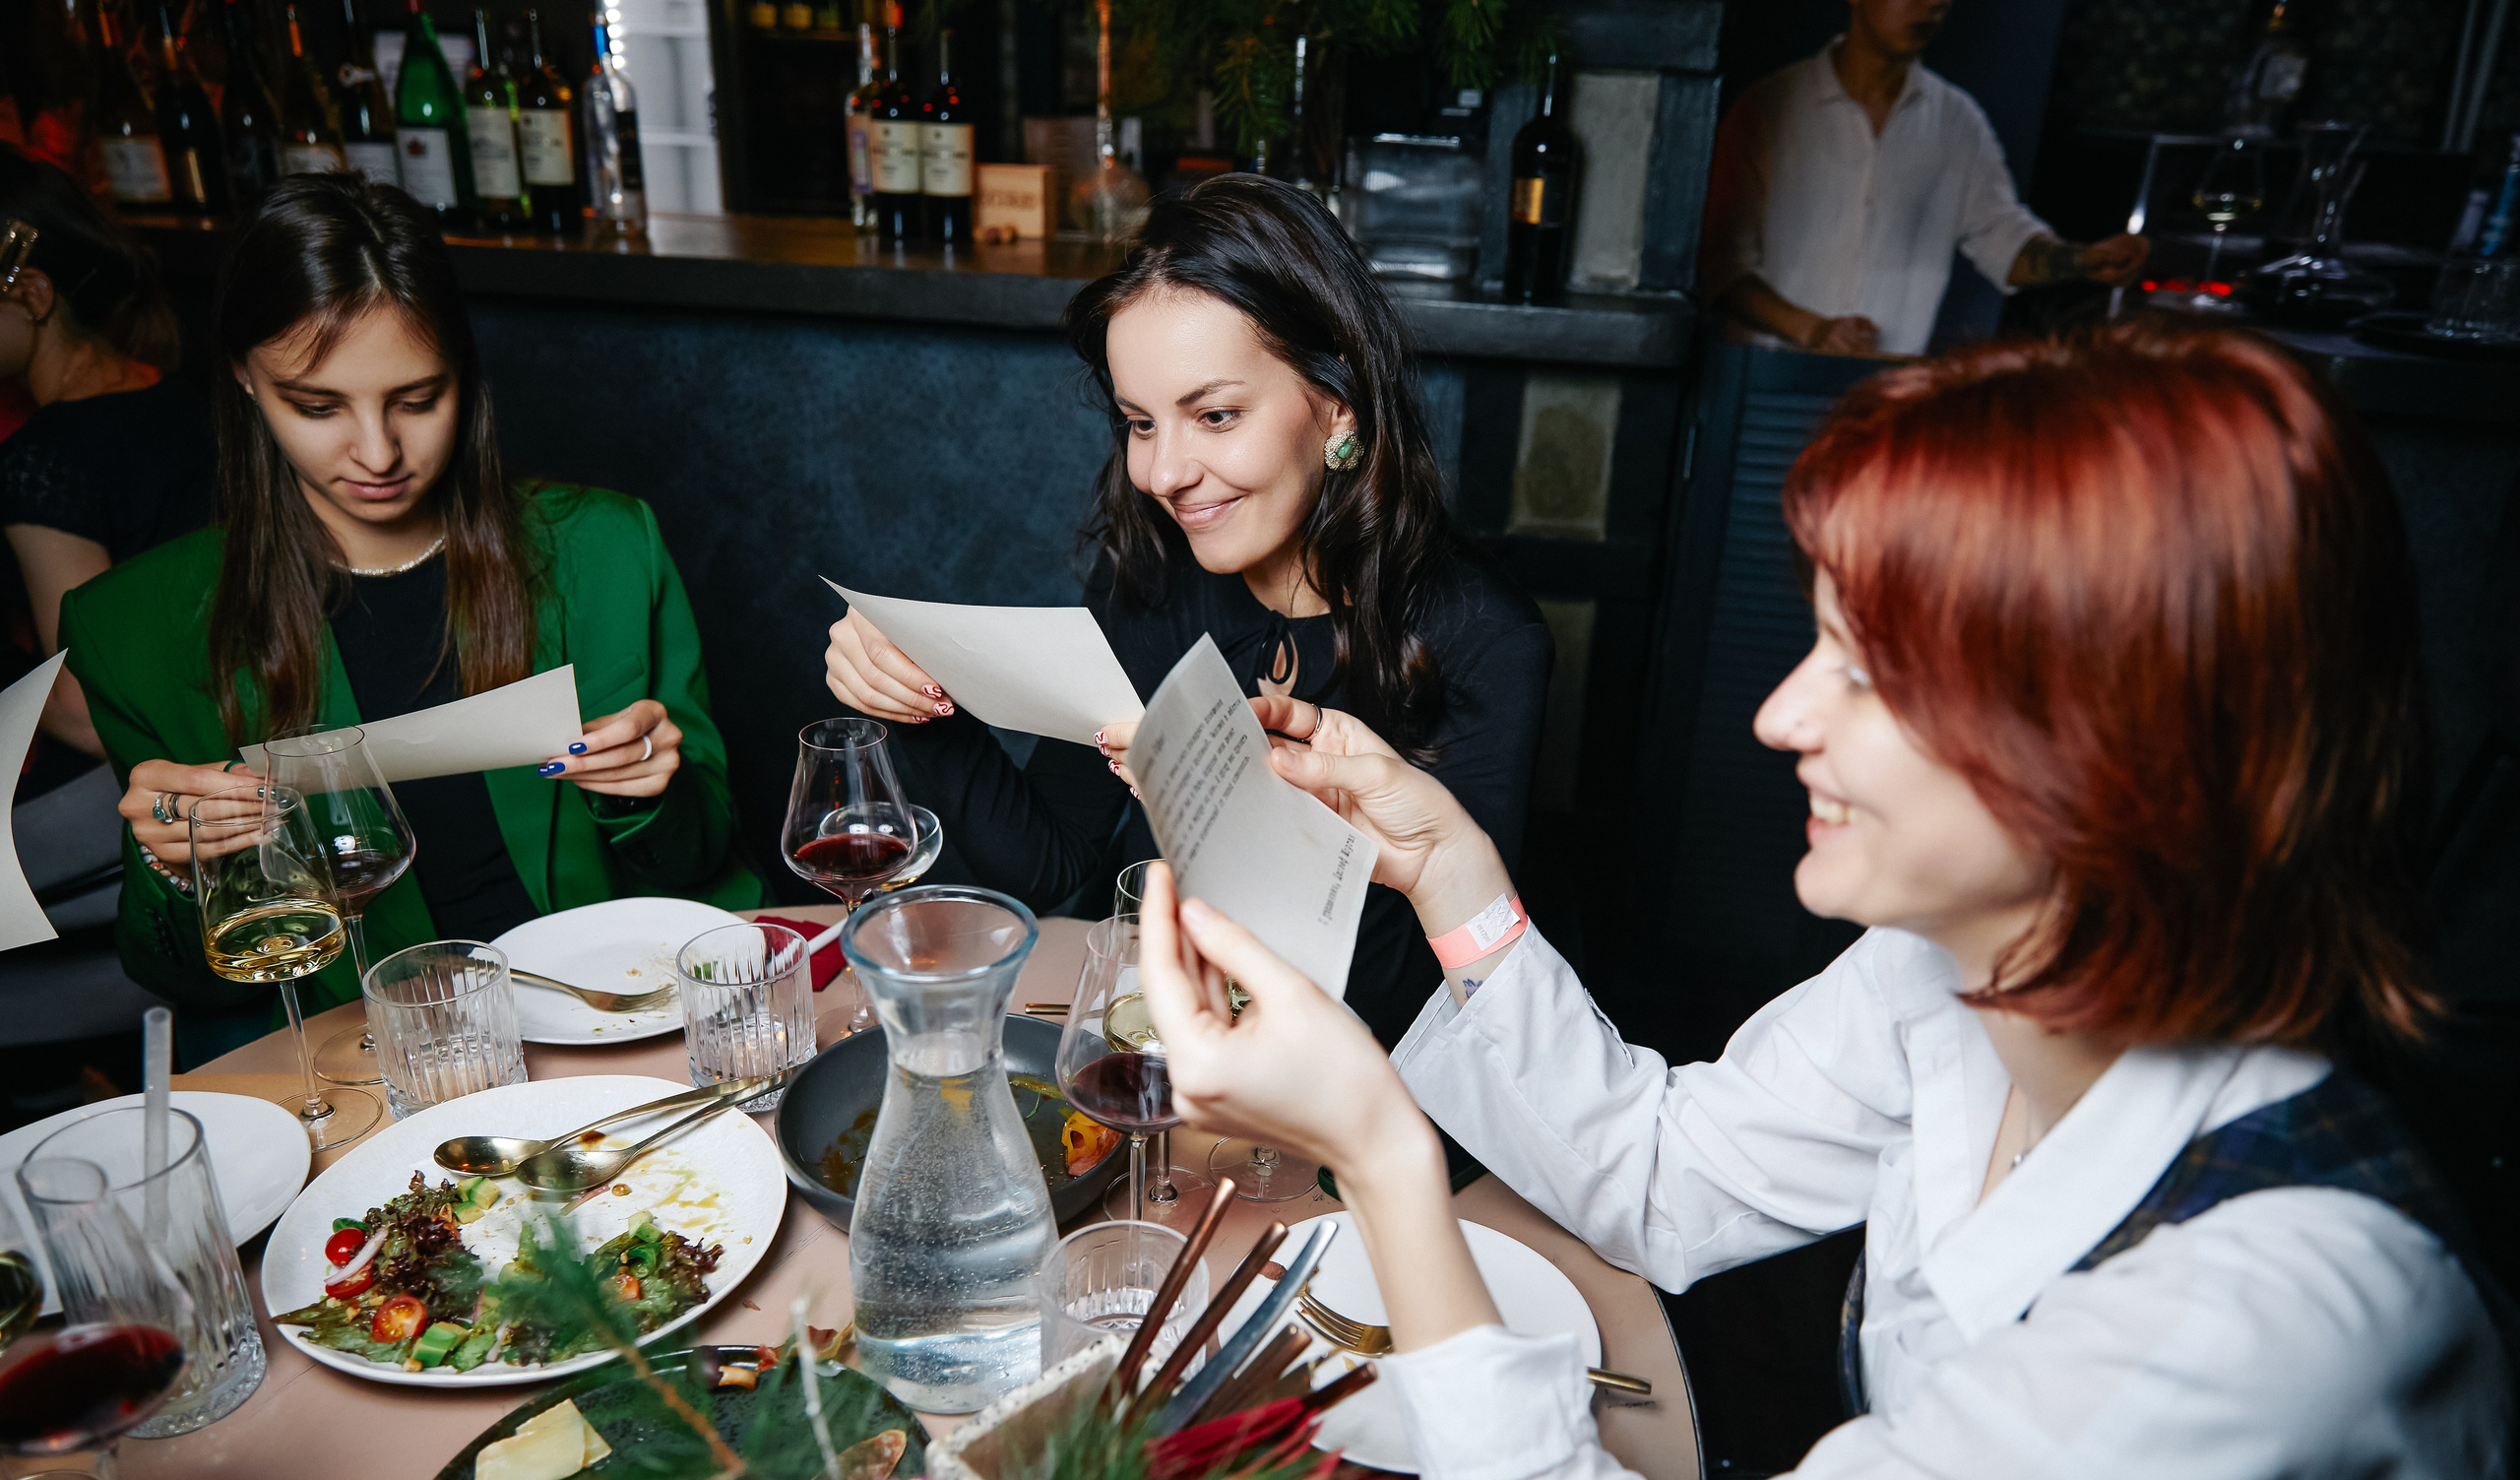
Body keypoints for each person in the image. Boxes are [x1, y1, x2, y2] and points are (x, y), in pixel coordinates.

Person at [1134, 322, 2511, 1480]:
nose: (1782, 715)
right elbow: (1660, 1176)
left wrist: (1384, 1152)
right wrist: (1453, 873)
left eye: (1868, 669)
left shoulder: (2264, 1323)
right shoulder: (1952, 971)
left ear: (2122, 748)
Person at [820, 172, 1551, 1049]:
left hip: (1364, 1086)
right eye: (1141, 423)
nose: (1163, 474)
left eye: (1215, 415)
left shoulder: (1486, 635)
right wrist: (912, 694)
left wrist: (1240, 811)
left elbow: (1460, 1004)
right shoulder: (1155, 575)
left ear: (1338, 408)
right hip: (1174, 1050)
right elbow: (1051, 862)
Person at [61, 174, 758, 1025]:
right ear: (244, 377)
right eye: (317, 406)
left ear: (463, 371)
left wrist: (645, 793)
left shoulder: (608, 549)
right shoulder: (129, 627)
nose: (379, 452)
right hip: (361, 1047)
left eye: (418, 399)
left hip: (608, 1007)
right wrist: (175, 867)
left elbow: (702, 859)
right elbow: (186, 983)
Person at [1701, 0, 2148, 357]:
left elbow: (2004, 240)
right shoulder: (1768, 107)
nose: (1932, 5)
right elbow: (1717, 262)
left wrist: (2082, 260)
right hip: (1762, 379)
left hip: (1883, 388)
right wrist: (1813, 330)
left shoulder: (1957, 121)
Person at [0, 146, 210, 772]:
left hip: (148, 780)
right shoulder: (175, 389)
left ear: (33, 295)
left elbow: (85, 711)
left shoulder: (43, 461)